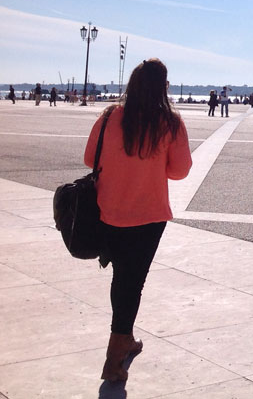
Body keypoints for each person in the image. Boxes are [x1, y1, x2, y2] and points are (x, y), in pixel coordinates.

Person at [83, 58, 192, 382]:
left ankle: (125, 339)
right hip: (148, 216)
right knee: (132, 282)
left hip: (110, 211)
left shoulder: (108, 117)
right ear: (164, 87)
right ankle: (115, 357)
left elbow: (90, 158)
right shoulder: (170, 123)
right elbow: (180, 170)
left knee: (122, 278)